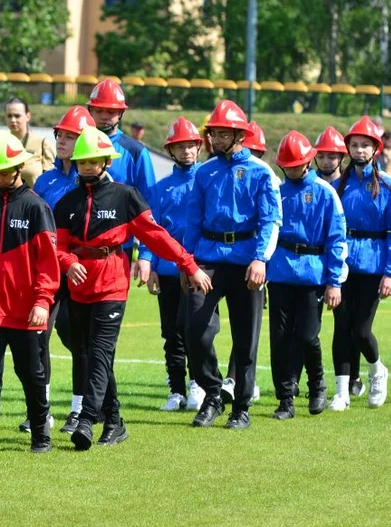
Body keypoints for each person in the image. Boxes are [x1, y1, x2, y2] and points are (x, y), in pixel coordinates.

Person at [55, 127, 211, 450]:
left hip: (112, 285)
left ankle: (87, 419)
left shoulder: (125, 196)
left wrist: (188, 264)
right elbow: (57, 247)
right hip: (79, 287)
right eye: (82, 161)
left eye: (93, 161)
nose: (86, 166)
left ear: (105, 162)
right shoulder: (67, 203)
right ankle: (115, 421)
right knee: (97, 356)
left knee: (98, 352)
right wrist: (68, 263)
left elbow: (156, 236)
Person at [185, 100, 282, 430]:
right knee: (194, 332)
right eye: (213, 133)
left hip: (245, 263)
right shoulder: (204, 172)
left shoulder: (260, 172)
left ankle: (241, 407)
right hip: (208, 260)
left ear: (240, 135)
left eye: (222, 134)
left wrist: (260, 259)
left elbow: (271, 221)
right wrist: (188, 262)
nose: (214, 139)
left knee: (246, 340)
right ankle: (213, 393)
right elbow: (193, 219)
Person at [0, 131, 59, 458]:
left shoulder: (37, 208)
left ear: (18, 168)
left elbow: (48, 262)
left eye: (4, 170)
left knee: (32, 374)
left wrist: (43, 302)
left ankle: (40, 433)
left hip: (27, 311)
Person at [267, 131, 347, 419]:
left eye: (296, 164)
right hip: (279, 273)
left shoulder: (326, 194)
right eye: (286, 165)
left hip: (313, 275)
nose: (290, 169)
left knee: (307, 337)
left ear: (308, 161)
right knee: (279, 338)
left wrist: (334, 282)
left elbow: (337, 239)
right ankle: (285, 399)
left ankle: (317, 383)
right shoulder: (276, 191)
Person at [33, 105, 94, 434]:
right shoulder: (45, 180)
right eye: (60, 135)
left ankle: (79, 408)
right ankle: (40, 410)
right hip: (48, 270)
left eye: (70, 136)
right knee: (38, 336)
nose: (62, 141)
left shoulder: (96, 182)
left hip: (81, 270)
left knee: (78, 338)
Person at [146, 117, 209, 412]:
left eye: (191, 146)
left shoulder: (207, 180)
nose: (186, 152)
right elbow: (152, 231)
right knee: (171, 332)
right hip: (169, 272)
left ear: (198, 147)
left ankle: (198, 384)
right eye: (180, 147)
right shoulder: (160, 189)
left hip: (198, 271)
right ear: (171, 151)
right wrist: (152, 265)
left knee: (194, 329)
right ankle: (176, 390)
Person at [329, 116, 390, 410]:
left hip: (373, 265)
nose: (360, 150)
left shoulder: (387, 187)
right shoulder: (339, 185)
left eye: (365, 145)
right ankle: (341, 391)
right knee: (341, 327)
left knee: (361, 331)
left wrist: (389, 273)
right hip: (342, 264)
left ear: (375, 149)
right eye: (355, 145)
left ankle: (378, 369)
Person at [85, 79, 156, 284]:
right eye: (99, 111)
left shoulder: (136, 152)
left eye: (111, 111)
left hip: (118, 253)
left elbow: (149, 206)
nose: (105, 116)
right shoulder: (78, 145)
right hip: (77, 255)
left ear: (121, 113)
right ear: (90, 111)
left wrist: (145, 254)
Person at [313, 125, 365, 397]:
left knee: (353, 324)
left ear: (341, 159)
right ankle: (319, 381)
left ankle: (354, 375)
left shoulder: (346, 185)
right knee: (322, 324)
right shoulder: (316, 186)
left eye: (332, 156)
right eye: (321, 156)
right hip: (323, 263)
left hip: (354, 263)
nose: (326, 161)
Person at [4, 97, 55, 187]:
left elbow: (51, 181)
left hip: (35, 199)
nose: (13, 120)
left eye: (17, 116)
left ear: (28, 116)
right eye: (9, 116)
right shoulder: (1, 144)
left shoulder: (43, 143)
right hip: (8, 200)